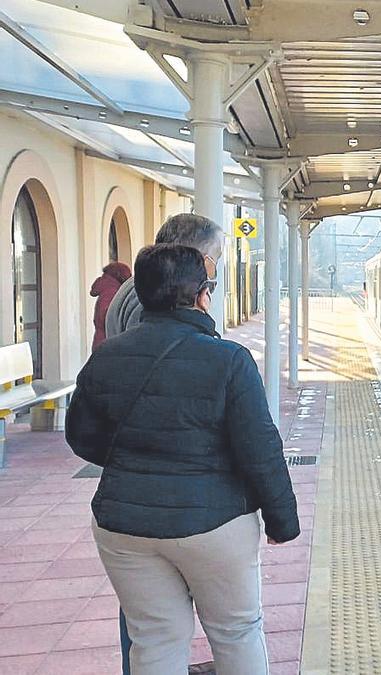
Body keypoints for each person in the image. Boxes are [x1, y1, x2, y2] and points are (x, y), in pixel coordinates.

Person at [66, 244, 299, 674]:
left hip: (124, 526)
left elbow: (80, 437)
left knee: (154, 639)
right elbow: (261, 449)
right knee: (237, 633)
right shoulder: (228, 360)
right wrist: (282, 521)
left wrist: (134, 461)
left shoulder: (107, 357)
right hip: (214, 525)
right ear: (201, 296)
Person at [104, 213, 227, 674]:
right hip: (167, 479)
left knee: (144, 600)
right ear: (190, 259)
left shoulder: (133, 294)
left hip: (137, 474)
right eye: (212, 261)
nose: (213, 275)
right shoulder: (153, 306)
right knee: (154, 607)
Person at [106, 213, 224, 339]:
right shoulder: (155, 295)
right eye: (215, 260)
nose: (214, 272)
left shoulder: (145, 285)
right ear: (199, 258)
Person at [89, 261, 132, 350]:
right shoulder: (111, 290)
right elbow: (106, 316)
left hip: (103, 342)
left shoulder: (110, 288)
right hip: (107, 344)